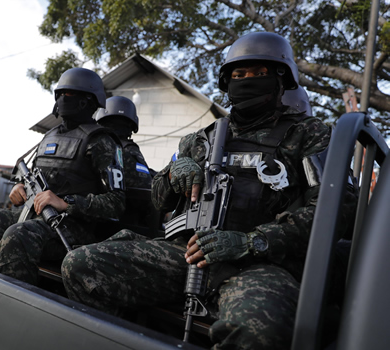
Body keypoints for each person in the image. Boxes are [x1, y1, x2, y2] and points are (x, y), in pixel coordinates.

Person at [61, 32, 355, 349]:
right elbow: (157, 200)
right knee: (81, 266)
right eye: (238, 75)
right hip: (186, 252)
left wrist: (252, 241)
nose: (246, 81)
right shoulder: (201, 138)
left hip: (258, 265)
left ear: (281, 79)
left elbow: (336, 209)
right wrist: (174, 173)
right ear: (226, 82)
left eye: (258, 74)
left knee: (259, 329)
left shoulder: (309, 134)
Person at [0, 67, 126, 285]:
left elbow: (116, 204)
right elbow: (31, 177)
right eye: (59, 94)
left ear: (88, 100)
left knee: (17, 236)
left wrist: (66, 203)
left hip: (69, 229)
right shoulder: (49, 137)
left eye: (69, 94)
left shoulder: (101, 141)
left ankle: (6, 311)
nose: (62, 99)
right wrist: (20, 189)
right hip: (28, 217)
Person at [95, 96, 153, 227]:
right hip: (121, 227)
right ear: (131, 126)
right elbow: (144, 192)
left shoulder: (94, 145)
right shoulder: (129, 150)